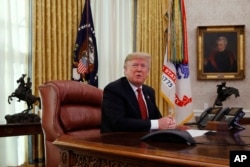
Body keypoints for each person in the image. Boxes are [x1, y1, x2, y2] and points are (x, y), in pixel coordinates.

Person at [101, 52, 176, 133]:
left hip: (145, 139)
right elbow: (118, 123)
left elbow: (157, 118)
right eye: (135, 65)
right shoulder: (114, 89)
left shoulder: (149, 91)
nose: (139, 69)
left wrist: (168, 122)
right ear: (125, 70)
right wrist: (157, 123)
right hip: (119, 141)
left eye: (143, 66)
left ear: (148, 73)